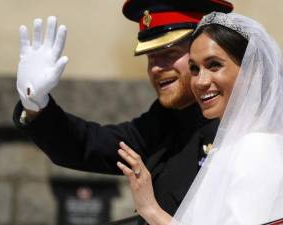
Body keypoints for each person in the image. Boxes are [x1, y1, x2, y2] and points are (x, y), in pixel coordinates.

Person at [12, 0, 234, 223]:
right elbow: (90, 145)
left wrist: (151, 210)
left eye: (169, 53)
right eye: (150, 57)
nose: (156, 67)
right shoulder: (165, 119)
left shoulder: (237, 126)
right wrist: (36, 104)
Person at [117, 12, 283, 225]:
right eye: (195, 69)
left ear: (252, 70)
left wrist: (151, 210)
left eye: (214, 65)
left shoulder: (257, 147)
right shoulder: (233, 143)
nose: (200, 82)